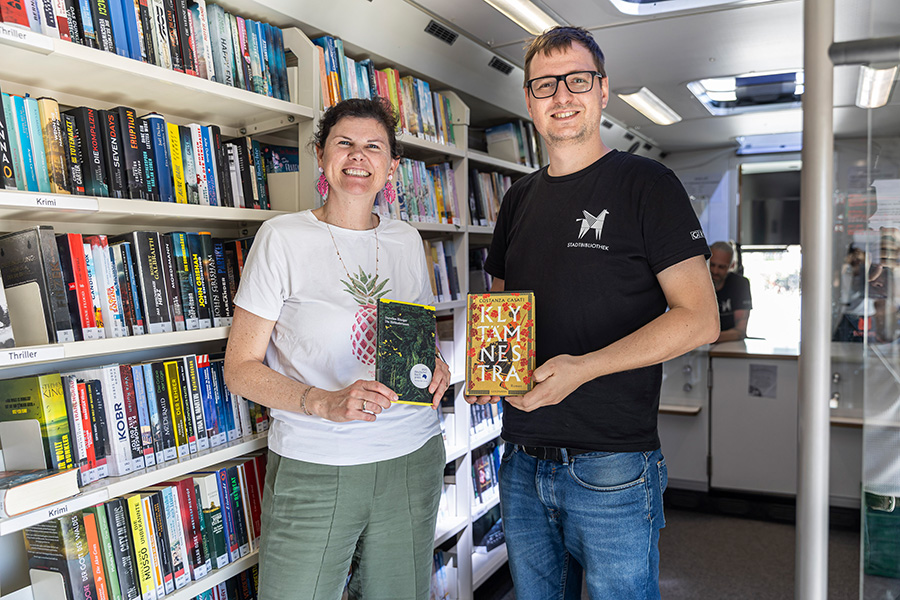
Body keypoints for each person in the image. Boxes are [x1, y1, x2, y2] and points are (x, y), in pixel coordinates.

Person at [471, 26, 720, 600]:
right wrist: (491, 373)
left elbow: (699, 317)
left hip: (612, 464)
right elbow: (506, 317)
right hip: (522, 457)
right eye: (545, 85)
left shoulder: (647, 184)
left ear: (603, 91)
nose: (562, 96)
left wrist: (583, 368)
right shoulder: (518, 199)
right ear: (529, 100)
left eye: (577, 81)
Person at [223, 97, 450, 600]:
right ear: (321, 154)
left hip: (413, 457)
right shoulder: (282, 237)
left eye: (373, 147)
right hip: (317, 462)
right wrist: (324, 402)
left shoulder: (406, 240)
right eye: (344, 143)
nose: (357, 157)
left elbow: (414, 341)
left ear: (392, 167)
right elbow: (239, 369)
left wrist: (434, 366)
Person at [708, 241, 752, 342]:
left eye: (721, 267)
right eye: (712, 265)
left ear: (731, 266)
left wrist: (703, 340)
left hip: (731, 347)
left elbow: (740, 331)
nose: (715, 271)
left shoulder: (740, 284)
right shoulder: (698, 282)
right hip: (699, 349)